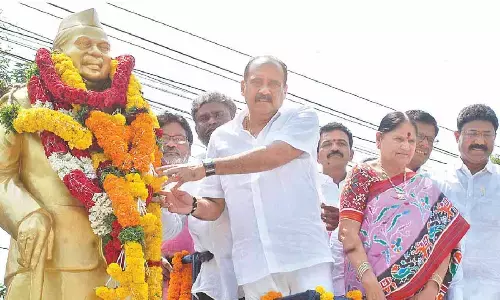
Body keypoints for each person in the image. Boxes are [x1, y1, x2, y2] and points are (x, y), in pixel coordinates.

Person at [157, 55, 334, 299]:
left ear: (285, 90)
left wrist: (205, 168)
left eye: (273, 84)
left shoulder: (301, 118)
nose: (264, 90)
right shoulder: (221, 137)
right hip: (253, 266)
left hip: (303, 255)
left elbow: (274, 156)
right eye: (257, 82)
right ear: (243, 87)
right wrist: (193, 205)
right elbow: (215, 205)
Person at [0, 9, 123, 299]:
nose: (96, 53)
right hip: (46, 258)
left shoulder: (124, 116)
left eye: (104, 47)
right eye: (84, 44)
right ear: (58, 53)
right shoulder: (24, 101)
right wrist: (25, 215)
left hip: (116, 266)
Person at [339, 111, 469, 300]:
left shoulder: (425, 186)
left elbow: (447, 240)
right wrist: (369, 280)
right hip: (366, 288)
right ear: (379, 138)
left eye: (411, 141)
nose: (406, 146)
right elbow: (347, 233)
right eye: (399, 139)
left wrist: (432, 287)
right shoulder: (363, 175)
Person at [158, 112, 240, 300]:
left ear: (189, 147)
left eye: (178, 139)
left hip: (199, 274)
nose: (170, 144)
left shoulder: (197, 178)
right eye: (163, 138)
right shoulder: (128, 176)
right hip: (149, 275)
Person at [434, 104, 500, 299]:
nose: (480, 141)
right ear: (457, 136)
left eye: (487, 134)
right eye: (473, 133)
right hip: (441, 292)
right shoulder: (435, 181)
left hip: (491, 292)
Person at [317, 122, 354, 295]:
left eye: (341, 143)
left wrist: (347, 222)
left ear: (351, 154)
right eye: (327, 144)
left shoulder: (364, 188)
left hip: (354, 279)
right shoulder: (305, 186)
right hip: (313, 278)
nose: (334, 148)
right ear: (317, 156)